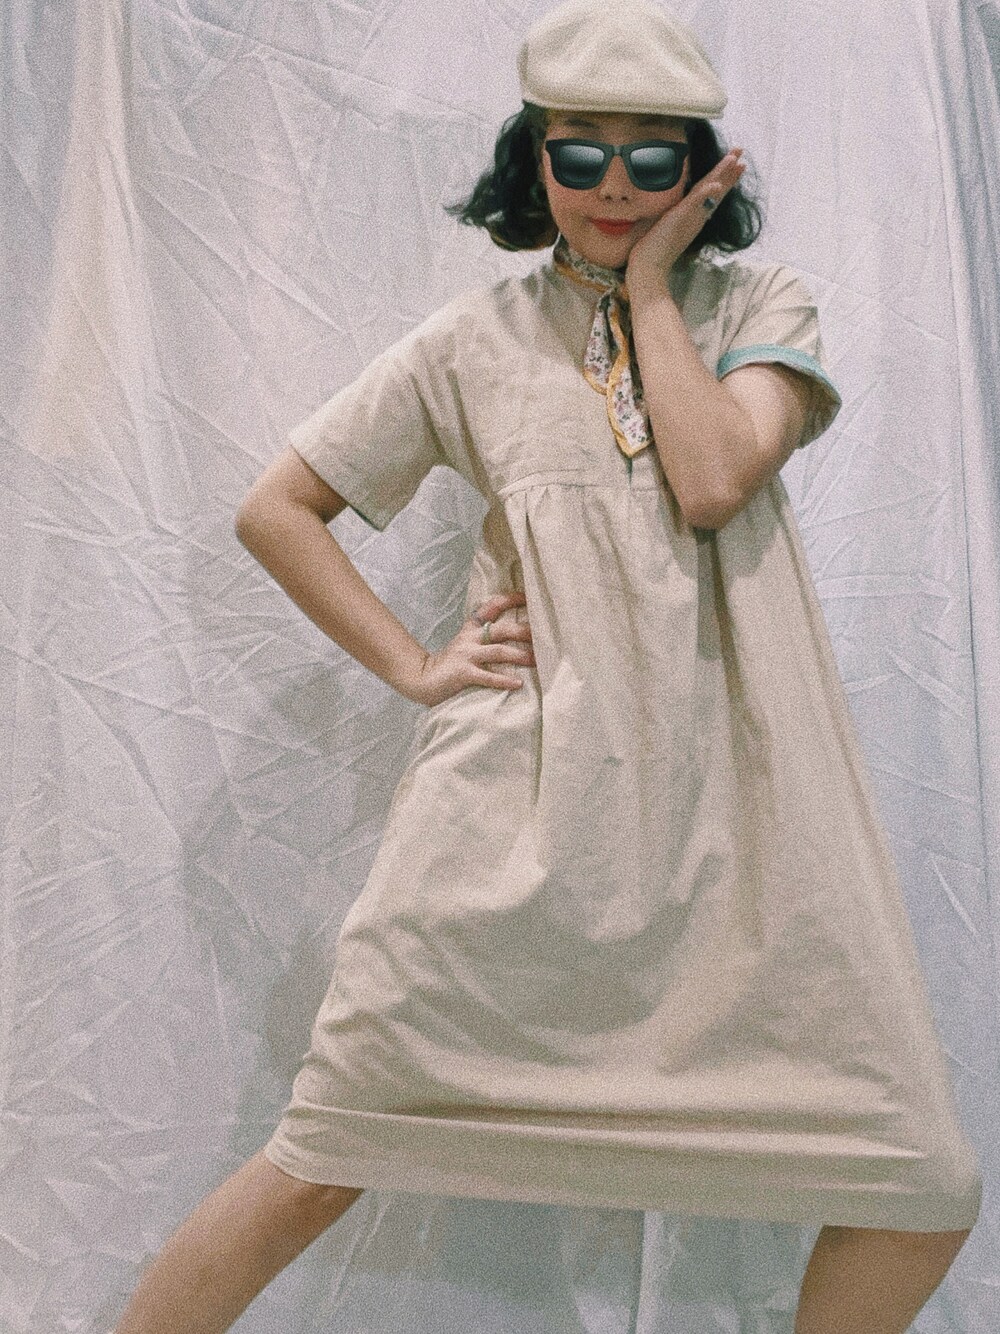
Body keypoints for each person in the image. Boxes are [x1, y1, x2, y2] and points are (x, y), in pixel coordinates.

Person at [112, 1, 981, 1331]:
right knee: (327, 1148)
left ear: (703, 170)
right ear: (535, 161)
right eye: (579, 154)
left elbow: (711, 478)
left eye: (651, 155)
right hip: (508, 820)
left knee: (920, 1180)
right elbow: (276, 509)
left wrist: (651, 292)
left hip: (736, 831)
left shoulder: (761, 305)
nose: (614, 185)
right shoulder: (471, 341)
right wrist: (417, 664)